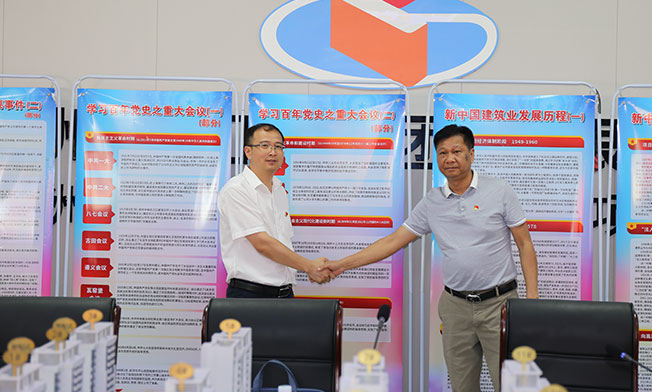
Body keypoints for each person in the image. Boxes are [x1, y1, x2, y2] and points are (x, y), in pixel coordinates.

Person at [321, 124, 538, 391]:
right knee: (462, 386)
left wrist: (532, 300)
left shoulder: (500, 190)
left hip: (499, 304)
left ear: (471, 154)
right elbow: (392, 241)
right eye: (443, 153)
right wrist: (341, 265)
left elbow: (525, 244)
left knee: (510, 384)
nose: (450, 158)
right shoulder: (432, 202)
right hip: (455, 307)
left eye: (456, 151)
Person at [217, 123, 333, 299]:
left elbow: (281, 241)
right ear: (248, 152)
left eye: (278, 146)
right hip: (250, 295)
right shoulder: (236, 189)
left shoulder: (278, 189)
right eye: (264, 146)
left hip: (284, 293)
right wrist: (309, 267)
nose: (273, 152)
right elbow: (262, 243)